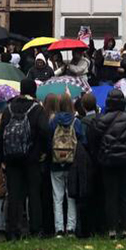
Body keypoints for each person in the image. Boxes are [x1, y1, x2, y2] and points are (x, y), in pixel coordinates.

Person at [0, 78, 50, 241]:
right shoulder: (37, 109)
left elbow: (0, 133)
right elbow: (44, 131)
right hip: (32, 158)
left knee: (14, 195)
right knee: (34, 194)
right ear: (34, 91)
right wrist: (42, 151)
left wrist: (2, 156)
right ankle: (35, 228)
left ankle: (13, 229)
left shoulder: (9, 108)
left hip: (12, 158)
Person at [89, 88, 126, 238]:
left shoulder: (100, 120)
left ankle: (111, 229)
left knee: (110, 196)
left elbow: (94, 141)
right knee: (125, 195)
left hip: (108, 161)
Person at [45, 93, 84, 238]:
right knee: (71, 196)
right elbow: (82, 140)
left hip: (55, 163)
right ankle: (71, 228)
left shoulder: (53, 121)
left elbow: (48, 139)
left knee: (57, 197)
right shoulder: (76, 121)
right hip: (72, 163)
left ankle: (59, 228)